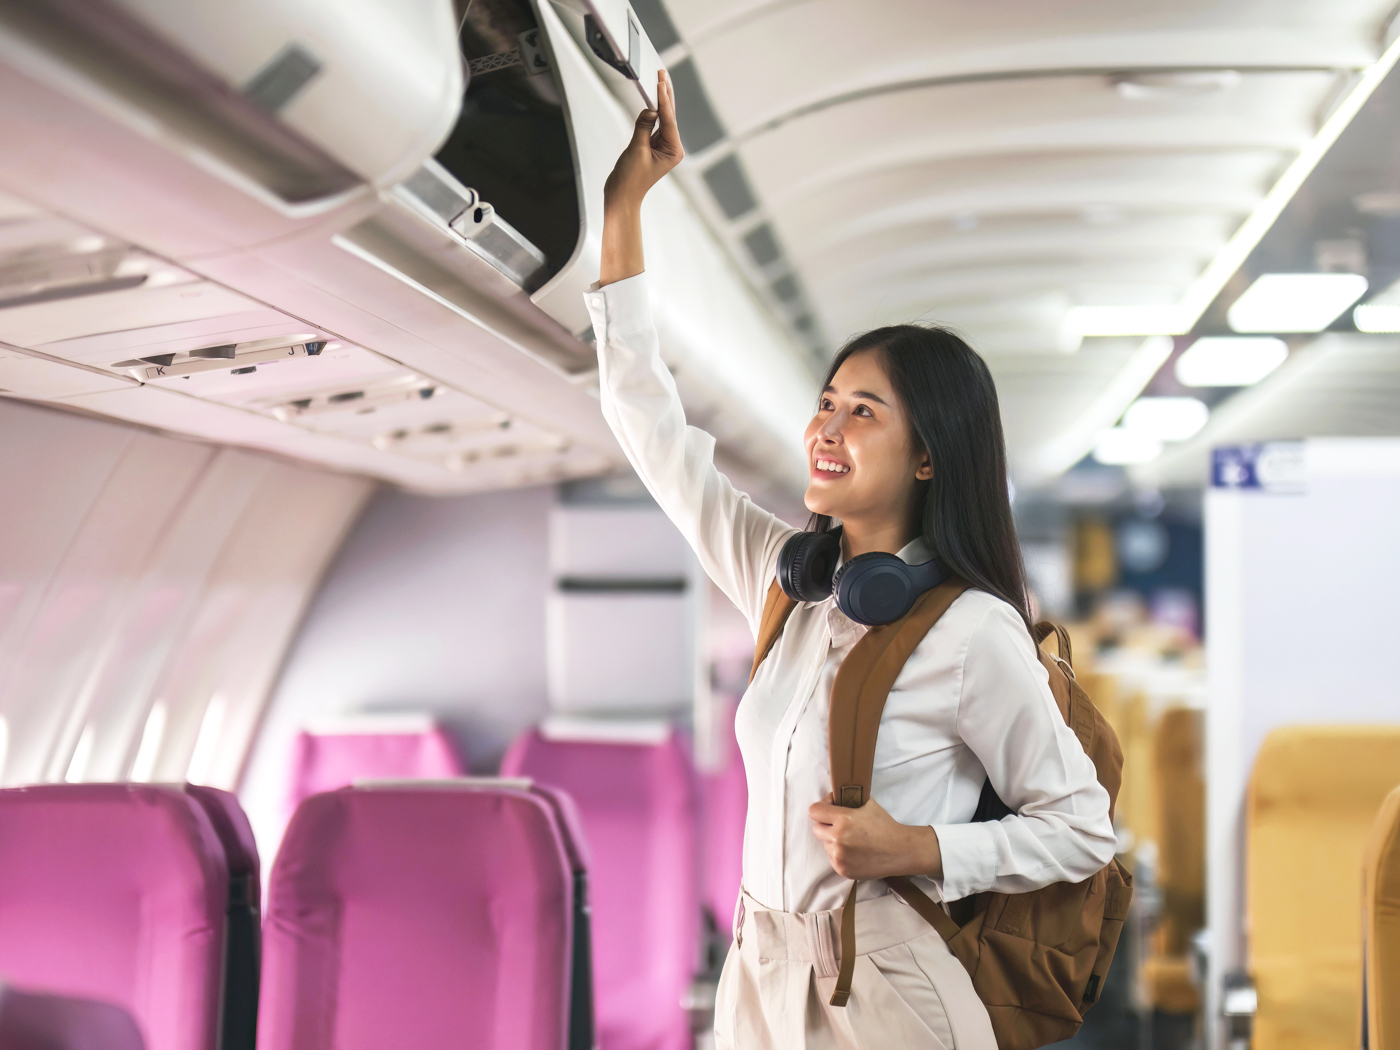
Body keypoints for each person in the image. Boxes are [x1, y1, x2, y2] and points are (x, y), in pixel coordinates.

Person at [587, 70, 1116, 1050]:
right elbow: (646, 419)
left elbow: (1083, 828)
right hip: (758, 968)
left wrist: (919, 847)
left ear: (926, 455)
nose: (825, 426)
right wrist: (624, 207)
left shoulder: (969, 631)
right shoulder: (783, 582)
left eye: (861, 411)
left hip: (881, 984)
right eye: (824, 401)